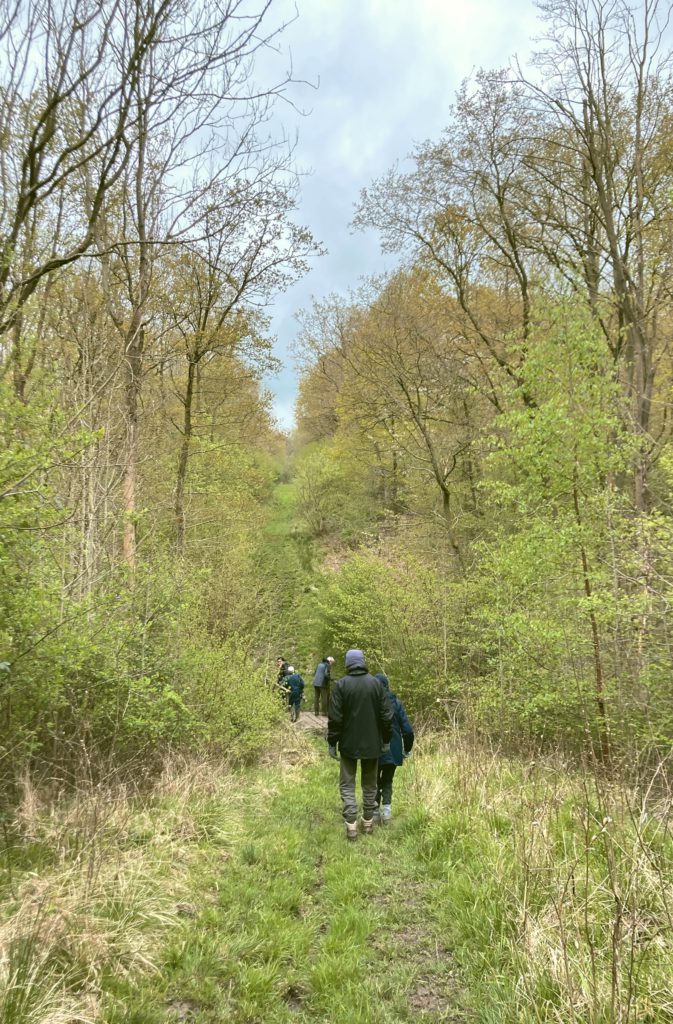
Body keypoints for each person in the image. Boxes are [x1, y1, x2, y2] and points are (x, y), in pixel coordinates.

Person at [327, 649, 394, 841]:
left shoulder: (341, 685)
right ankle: (367, 822)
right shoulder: (376, 684)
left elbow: (335, 718)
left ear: (348, 664)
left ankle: (351, 826)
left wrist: (333, 742)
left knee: (347, 784)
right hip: (372, 744)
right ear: (362, 662)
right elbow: (386, 716)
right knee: (370, 784)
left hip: (348, 744)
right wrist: (386, 740)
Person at [373, 672, 414, 824]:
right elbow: (408, 730)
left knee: (374, 780)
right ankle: (387, 813)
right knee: (388, 780)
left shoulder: (371, 704)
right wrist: (407, 749)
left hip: (374, 749)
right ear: (387, 686)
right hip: (394, 749)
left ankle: (375, 812)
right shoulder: (396, 703)